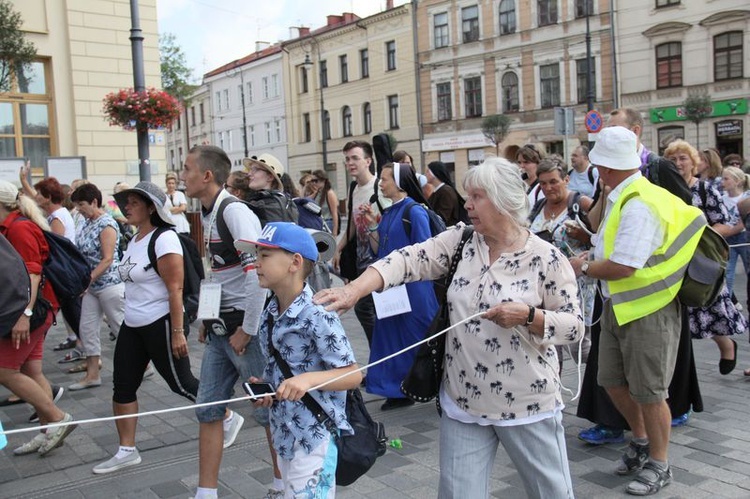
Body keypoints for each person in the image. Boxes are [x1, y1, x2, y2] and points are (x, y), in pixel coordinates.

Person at [317, 157, 584, 498]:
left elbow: (574, 327)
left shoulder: (546, 258)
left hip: (525, 403)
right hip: (463, 401)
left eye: (477, 196)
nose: (467, 204)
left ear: (504, 200)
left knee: (552, 493)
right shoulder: (461, 241)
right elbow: (405, 260)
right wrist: (354, 289)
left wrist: (530, 316)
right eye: (467, 195)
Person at [568, 126, 705, 496]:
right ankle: (642, 441)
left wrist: (580, 266)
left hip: (648, 307)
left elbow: (625, 265)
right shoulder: (621, 194)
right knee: (610, 379)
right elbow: (603, 238)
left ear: (605, 167)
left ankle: (660, 464)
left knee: (650, 392)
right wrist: (590, 252)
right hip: (622, 304)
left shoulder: (640, 201)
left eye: (597, 163)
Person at [181, 145, 280, 499]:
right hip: (222, 326)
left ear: (207, 176)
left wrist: (247, 330)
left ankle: (283, 485)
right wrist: (208, 316)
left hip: (243, 329)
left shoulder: (234, 212)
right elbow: (219, 274)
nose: (183, 175)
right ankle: (205, 492)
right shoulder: (207, 213)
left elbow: (258, 276)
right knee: (208, 409)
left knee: (268, 410)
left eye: (187, 169)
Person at [239, 222, 361, 497]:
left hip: (315, 436)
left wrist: (306, 380)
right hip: (283, 434)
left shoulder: (318, 313)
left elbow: (353, 374)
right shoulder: (269, 312)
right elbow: (282, 371)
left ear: (294, 262)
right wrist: (268, 388)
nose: (255, 263)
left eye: (264, 255)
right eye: (256, 254)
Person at [93, 182, 199, 474]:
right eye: (125, 202)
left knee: (181, 383)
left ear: (151, 207)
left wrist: (178, 332)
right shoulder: (135, 238)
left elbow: (175, 288)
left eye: (133, 203)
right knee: (123, 386)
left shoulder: (164, 239)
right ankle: (126, 450)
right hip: (133, 322)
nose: (126, 206)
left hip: (160, 322)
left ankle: (225, 415)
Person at [0, 180, 77, 456]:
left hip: (33, 312)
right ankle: (49, 430)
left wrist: (25, 314)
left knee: (4, 370)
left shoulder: (19, 228)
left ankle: (57, 419)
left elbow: (33, 273)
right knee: (31, 371)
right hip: (34, 310)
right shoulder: (12, 226)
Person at [665, 140, 745, 374]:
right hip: (672, 260)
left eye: (683, 158)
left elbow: (722, 224)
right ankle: (679, 366)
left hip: (701, 259)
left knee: (710, 309)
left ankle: (727, 345)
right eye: (673, 159)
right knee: (679, 314)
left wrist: (696, 239)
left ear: (694, 162)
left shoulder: (705, 189)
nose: (678, 163)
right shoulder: (665, 192)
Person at [362, 162, 438, 410]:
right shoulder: (389, 212)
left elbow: (427, 252)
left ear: (399, 182)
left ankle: (417, 386)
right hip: (392, 287)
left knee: (414, 337)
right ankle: (395, 388)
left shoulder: (414, 211)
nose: (381, 183)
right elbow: (379, 249)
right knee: (391, 339)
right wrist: (371, 224)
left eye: (385, 179)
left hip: (414, 288)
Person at [528, 156, 594, 368]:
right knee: (549, 349)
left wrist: (585, 239)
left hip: (577, 289)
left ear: (566, 179)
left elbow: (604, 239)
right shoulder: (538, 206)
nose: (548, 188)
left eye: (553, 181)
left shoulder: (580, 203)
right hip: (544, 289)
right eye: (543, 183)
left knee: (582, 349)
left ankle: (600, 394)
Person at [69, 183, 125, 390]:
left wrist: (87, 280)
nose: (79, 209)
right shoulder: (85, 222)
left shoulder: (107, 224)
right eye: (76, 205)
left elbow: (108, 259)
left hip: (109, 284)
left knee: (120, 327)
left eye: (82, 204)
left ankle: (143, 364)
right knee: (87, 328)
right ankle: (92, 374)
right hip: (91, 286)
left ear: (94, 201)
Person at [333, 140, 388, 347]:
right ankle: (381, 358)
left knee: (364, 308)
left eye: (355, 158)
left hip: (378, 261)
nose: (350, 163)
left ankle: (380, 357)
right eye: (347, 159)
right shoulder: (354, 188)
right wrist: (339, 249)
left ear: (368, 160)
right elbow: (354, 227)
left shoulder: (379, 187)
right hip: (360, 262)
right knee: (373, 311)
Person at [719, 166, 750, 296]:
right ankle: (729, 301)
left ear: (737, 181)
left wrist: (733, 229)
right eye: (722, 178)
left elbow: (744, 222)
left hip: (744, 238)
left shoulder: (747, 197)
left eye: (726, 179)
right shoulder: (721, 198)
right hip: (729, 239)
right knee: (728, 273)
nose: (722, 182)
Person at [426, 161, 464, 226]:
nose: (425, 174)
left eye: (427, 171)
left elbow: (443, 217)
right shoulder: (438, 191)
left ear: (434, 174)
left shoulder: (446, 192)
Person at [310, 169, 339, 235]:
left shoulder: (329, 193)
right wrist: (306, 186)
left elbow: (334, 214)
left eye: (316, 181)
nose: (313, 183)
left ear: (323, 180)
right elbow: (304, 200)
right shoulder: (317, 192)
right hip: (319, 224)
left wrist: (334, 233)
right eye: (312, 181)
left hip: (327, 224)